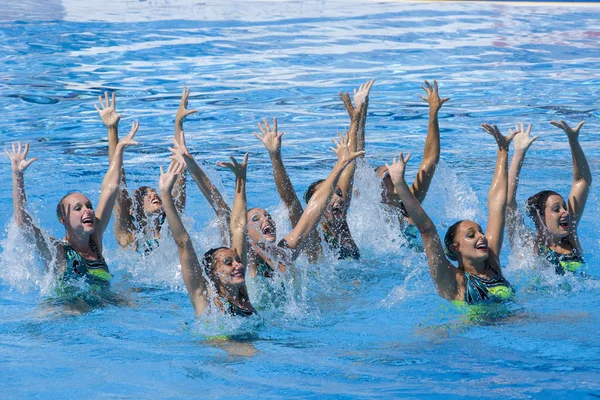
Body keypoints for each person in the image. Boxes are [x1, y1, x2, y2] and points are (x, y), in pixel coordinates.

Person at [169, 129, 364, 278]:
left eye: (268, 216)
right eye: (256, 219)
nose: (266, 220)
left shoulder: (285, 253)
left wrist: (340, 165)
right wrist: (190, 163)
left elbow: (311, 213)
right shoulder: (242, 259)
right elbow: (218, 204)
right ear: (245, 228)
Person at [5, 123, 139, 307]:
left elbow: (111, 188)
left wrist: (120, 148)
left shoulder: (95, 240)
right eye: (78, 208)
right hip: (66, 311)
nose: (88, 210)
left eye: (89, 206)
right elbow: (24, 224)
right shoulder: (58, 251)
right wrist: (17, 176)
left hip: (104, 306)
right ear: (64, 220)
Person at [385, 124, 516, 304]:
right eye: (471, 235)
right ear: (455, 247)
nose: (482, 237)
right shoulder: (451, 280)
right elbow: (426, 229)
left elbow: (497, 205)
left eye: (480, 231)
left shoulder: (491, 263)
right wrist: (400, 184)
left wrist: (503, 151)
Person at [95, 89, 195, 254]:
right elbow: (118, 183)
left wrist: (178, 123)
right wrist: (112, 130)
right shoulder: (127, 237)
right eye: (144, 194)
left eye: (154, 192)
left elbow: (179, 171)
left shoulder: (171, 232)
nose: (153, 195)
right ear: (131, 209)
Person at [159, 156, 255, 317]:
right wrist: (165, 194)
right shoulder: (204, 296)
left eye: (237, 260)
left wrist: (241, 179)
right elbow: (183, 243)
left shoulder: (240, 291)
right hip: (218, 343)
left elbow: (239, 228)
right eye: (228, 263)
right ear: (213, 273)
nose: (238, 265)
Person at [302, 79, 375, 260]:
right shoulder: (314, 236)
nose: (338, 198)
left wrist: (356, 120)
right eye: (329, 195)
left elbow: (352, 163)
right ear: (315, 205)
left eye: (339, 194)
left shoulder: (341, 222)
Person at [506, 120, 591, 275]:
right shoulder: (527, 244)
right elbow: (508, 202)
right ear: (540, 218)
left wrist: (573, 140)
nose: (565, 212)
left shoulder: (570, 236)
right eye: (556, 209)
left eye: (564, 207)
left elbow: (582, 181)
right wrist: (519, 153)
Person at [374, 80, 449, 246]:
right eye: (387, 174)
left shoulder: (409, 208)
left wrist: (433, 113)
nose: (394, 176)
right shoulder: (368, 216)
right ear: (374, 185)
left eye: (396, 172)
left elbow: (430, 161)